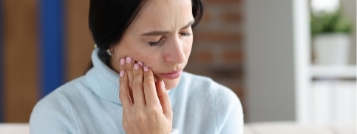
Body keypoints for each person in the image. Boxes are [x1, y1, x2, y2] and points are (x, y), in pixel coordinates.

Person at [30, 0, 244, 133]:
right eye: (156, 40)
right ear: (110, 41)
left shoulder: (218, 105)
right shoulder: (57, 115)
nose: (179, 56)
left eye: (185, 32)